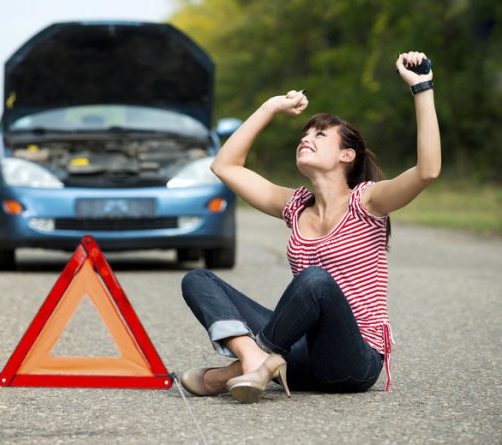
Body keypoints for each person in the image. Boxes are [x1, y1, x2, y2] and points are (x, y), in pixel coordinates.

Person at [179, 51, 441, 403]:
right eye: (304, 134)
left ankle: (234, 371)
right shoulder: (295, 205)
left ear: (347, 155)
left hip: (353, 362)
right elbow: (225, 166)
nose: (307, 138)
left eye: (320, 135)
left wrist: (422, 87)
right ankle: (254, 359)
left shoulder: (368, 203)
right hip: (299, 357)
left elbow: (427, 171)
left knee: (315, 280)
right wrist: (270, 108)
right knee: (198, 279)